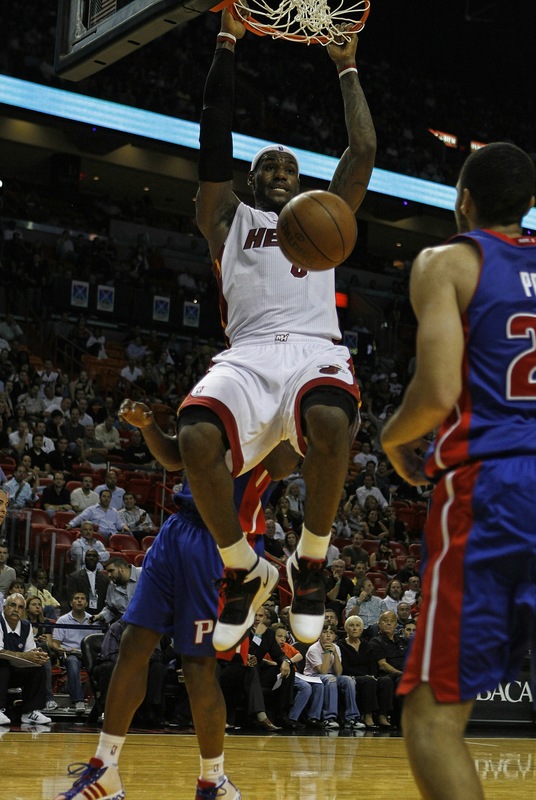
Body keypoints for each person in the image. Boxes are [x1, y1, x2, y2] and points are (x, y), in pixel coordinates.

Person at [174, 7, 376, 651]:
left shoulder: (323, 213)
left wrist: (345, 67)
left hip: (317, 350)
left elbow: (364, 149)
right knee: (196, 437)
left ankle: (309, 562)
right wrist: (228, 42)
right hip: (249, 354)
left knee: (331, 423)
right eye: (270, 167)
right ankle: (243, 569)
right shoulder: (226, 216)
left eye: (290, 167)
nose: (282, 172)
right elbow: (214, 139)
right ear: (253, 179)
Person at [380, 141, 536, 798]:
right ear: (531, 206)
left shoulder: (448, 261)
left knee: (431, 718)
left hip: (494, 492)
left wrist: (395, 439)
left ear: (464, 201)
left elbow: (438, 392)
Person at [52, 399, 298, 800]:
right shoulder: (220, 396)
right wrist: (148, 426)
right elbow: (172, 456)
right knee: (133, 644)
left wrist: (306, 428)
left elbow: (284, 463)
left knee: (198, 665)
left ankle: (213, 779)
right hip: (177, 529)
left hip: (222, 543)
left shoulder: (275, 412)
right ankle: (105, 769)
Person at [0, 592, 52, 726]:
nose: (16, 609)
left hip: (15, 670)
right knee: (2, 664)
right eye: (12, 605)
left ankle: (29, 712)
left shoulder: (26, 625)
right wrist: (25, 656)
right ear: (4, 607)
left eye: (20, 607)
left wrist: (38, 655)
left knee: (37, 667)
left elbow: (30, 653)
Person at [303, 622, 365, 730]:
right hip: (312, 677)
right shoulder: (314, 649)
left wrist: (335, 654)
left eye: (331, 633)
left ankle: (352, 718)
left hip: (329, 676)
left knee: (348, 680)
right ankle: (329, 718)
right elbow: (323, 671)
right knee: (330, 678)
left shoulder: (336, 647)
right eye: (324, 632)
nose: (328, 635)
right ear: (319, 634)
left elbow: (339, 672)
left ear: (334, 636)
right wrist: (327, 652)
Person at [52, 591, 95, 714]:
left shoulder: (92, 620)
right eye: (76, 598)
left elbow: (96, 643)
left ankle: (101, 700)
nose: (79, 601)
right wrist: (61, 649)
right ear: (71, 603)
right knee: (72, 662)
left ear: (86, 603)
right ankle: (78, 701)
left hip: (87, 654)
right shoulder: (62, 620)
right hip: (70, 653)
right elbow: (55, 643)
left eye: (82, 598)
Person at [90, 557, 142, 626]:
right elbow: (111, 609)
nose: (108, 575)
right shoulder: (112, 585)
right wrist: (99, 616)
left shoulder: (144, 574)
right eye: (108, 572)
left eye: (111, 571)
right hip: (127, 627)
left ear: (122, 568)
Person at [67, 550, 110, 615]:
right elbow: (71, 598)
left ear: (98, 559)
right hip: (81, 613)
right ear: (84, 559)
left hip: (100, 614)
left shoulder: (105, 579)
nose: (91, 558)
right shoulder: (74, 577)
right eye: (88, 555)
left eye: (94, 556)